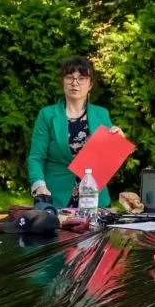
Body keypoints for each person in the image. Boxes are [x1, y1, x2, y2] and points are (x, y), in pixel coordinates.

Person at [27, 56, 123, 208]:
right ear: (63, 82)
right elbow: (36, 158)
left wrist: (118, 142)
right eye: (69, 77)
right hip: (54, 197)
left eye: (82, 78)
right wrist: (39, 186)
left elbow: (107, 161)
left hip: (95, 198)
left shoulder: (102, 114)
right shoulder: (47, 115)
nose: (75, 83)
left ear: (90, 84)